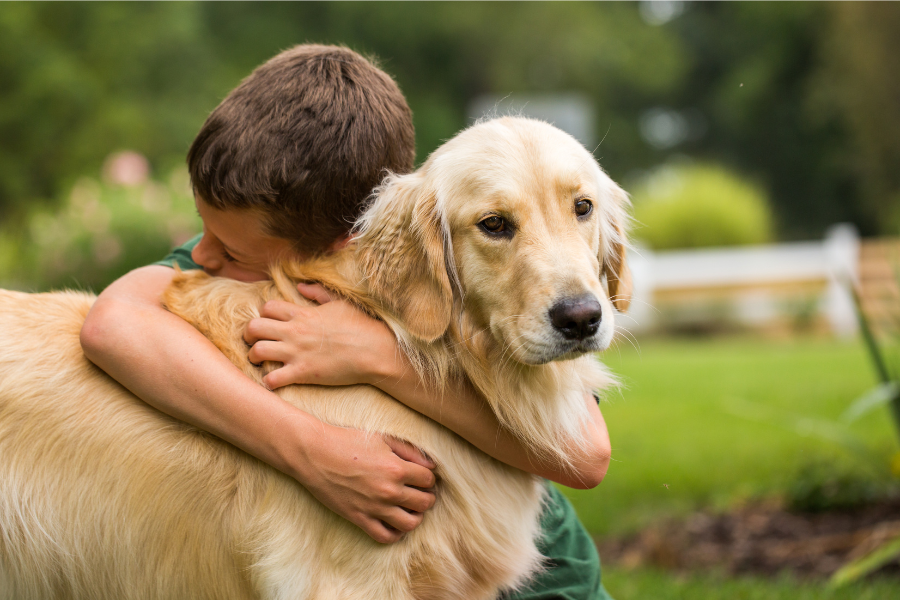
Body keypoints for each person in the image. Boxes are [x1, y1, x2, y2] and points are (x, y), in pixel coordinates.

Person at [80, 44, 613, 600]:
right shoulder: (266, 231)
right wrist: (312, 449)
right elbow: (111, 324)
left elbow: (585, 454)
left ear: (341, 246)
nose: (203, 257)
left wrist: (377, 358)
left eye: (232, 252)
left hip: (550, 577)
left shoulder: (409, 248)